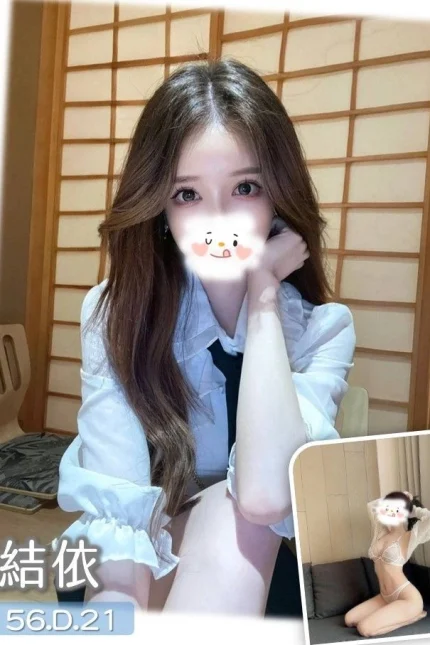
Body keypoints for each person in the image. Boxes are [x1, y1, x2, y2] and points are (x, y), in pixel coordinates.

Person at [50, 57, 356, 615]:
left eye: (245, 187)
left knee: (241, 513)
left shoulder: (321, 329)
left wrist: (263, 298)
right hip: (132, 560)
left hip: (260, 574)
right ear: (160, 209)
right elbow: (117, 513)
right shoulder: (117, 313)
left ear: (279, 196)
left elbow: (265, 496)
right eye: (187, 194)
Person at [345, 491, 430, 637]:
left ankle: (413, 616)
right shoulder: (380, 531)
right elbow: (371, 506)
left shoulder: (410, 536)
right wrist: (402, 494)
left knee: (364, 628)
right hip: (385, 597)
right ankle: (401, 614)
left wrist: (411, 510)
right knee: (349, 620)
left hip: (407, 598)